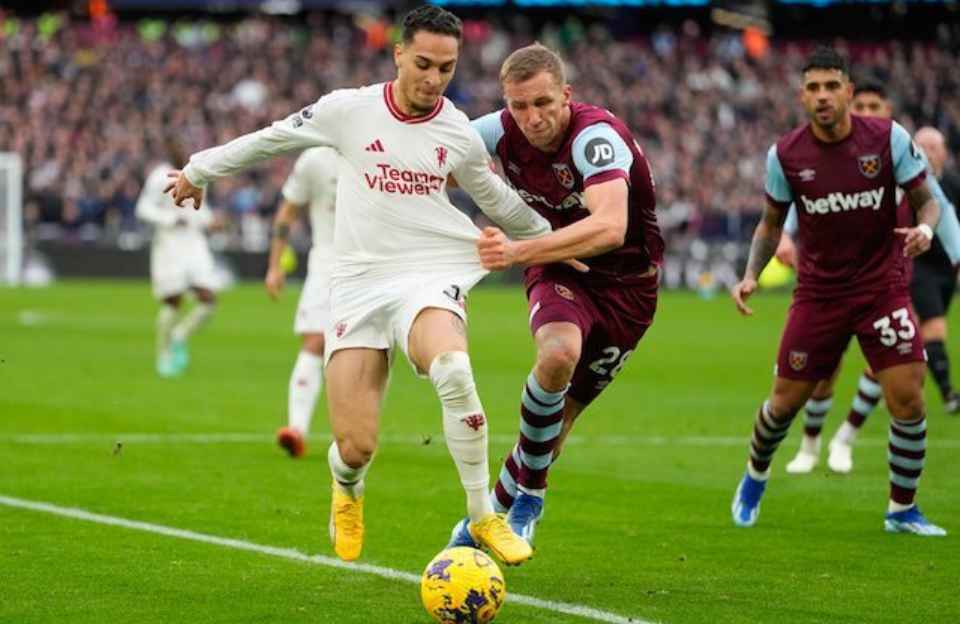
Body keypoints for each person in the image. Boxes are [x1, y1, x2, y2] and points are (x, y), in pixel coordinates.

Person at [165, 6, 557, 565]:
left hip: (429, 274)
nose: (432, 78)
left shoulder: (457, 133)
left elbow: (500, 204)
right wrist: (199, 169)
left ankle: (481, 515)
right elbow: (272, 138)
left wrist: (566, 242)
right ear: (398, 53)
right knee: (356, 446)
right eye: (422, 63)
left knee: (453, 367)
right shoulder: (347, 110)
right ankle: (347, 488)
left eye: (445, 68)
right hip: (356, 285)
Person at [448, 43, 662, 547]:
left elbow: (610, 227)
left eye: (543, 103)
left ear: (566, 95)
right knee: (558, 353)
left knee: (552, 434)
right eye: (519, 106)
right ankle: (529, 499)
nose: (532, 118)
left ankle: (485, 519)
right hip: (558, 267)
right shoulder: (497, 131)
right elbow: (435, 164)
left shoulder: (595, 138)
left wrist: (519, 249)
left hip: (629, 288)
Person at [730, 47, 946, 536]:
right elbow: (769, 225)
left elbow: (926, 202)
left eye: (831, 86)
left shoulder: (888, 139)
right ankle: (754, 476)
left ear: (849, 92)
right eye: (813, 88)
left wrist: (926, 232)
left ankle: (902, 510)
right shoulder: (785, 154)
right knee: (783, 404)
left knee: (909, 398)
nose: (823, 96)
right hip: (819, 293)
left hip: (882, 289)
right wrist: (750, 274)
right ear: (802, 96)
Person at [778, 82, 960, 475]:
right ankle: (810, 445)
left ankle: (846, 436)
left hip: (884, 281)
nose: (866, 111)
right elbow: (800, 198)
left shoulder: (900, 152)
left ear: (887, 108)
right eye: (860, 104)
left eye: (874, 105)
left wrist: (957, 255)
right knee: (824, 373)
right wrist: (786, 236)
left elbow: (938, 205)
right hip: (828, 282)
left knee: (888, 366)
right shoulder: (829, 154)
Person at [265, 147, 339, 458]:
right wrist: (274, 266)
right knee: (314, 340)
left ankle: (357, 434)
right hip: (326, 262)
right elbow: (287, 212)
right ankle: (296, 430)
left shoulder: (386, 146)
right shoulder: (315, 159)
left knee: (373, 354)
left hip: (374, 267)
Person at [136, 139, 219, 378]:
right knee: (173, 300)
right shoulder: (160, 176)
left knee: (208, 300)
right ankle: (163, 353)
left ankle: (179, 335)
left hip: (194, 243)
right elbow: (143, 208)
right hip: (170, 243)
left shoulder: (198, 172)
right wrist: (170, 220)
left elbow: (200, 209)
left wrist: (211, 221)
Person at [911, 127, 960, 413]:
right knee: (934, 327)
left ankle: (885, 383)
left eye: (933, 147)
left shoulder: (954, 184)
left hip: (947, 272)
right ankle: (948, 394)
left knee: (913, 334)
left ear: (944, 152)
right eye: (922, 146)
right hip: (919, 268)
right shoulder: (907, 186)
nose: (928, 153)